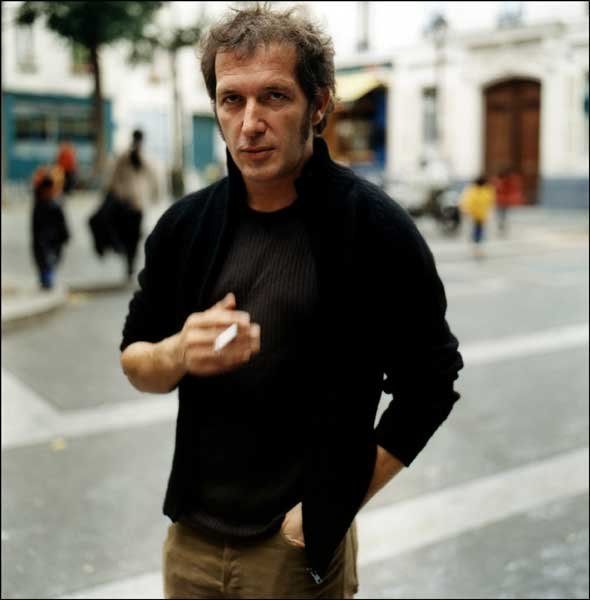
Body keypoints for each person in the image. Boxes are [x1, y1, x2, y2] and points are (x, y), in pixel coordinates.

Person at [119, 5, 463, 598]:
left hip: (293, 552)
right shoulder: (184, 226)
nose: (250, 123)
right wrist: (178, 353)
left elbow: (431, 384)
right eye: (232, 100)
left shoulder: (372, 227)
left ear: (318, 104)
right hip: (189, 540)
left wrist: (326, 509)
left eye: (274, 96)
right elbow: (135, 361)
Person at [104, 129, 159, 278]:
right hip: (124, 204)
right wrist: (118, 194)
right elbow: (113, 179)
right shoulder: (124, 158)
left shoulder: (146, 159)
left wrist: (155, 197)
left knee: (134, 236)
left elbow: (154, 180)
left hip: (138, 205)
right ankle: (128, 260)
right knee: (126, 235)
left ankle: (130, 262)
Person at [31, 164, 70, 290]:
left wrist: (65, 235)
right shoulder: (40, 206)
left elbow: (62, 222)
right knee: (44, 261)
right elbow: (35, 226)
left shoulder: (55, 205)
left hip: (54, 240)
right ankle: (46, 279)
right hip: (42, 240)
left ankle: (47, 278)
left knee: (51, 260)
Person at [459, 175, 496, 258]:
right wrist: (466, 211)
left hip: (480, 215)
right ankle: (476, 248)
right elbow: (466, 202)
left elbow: (490, 201)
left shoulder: (480, 190)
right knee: (477, 232)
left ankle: (477, 247)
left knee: (479, 232)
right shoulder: (477, 190)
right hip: (474, 215)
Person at [493, 167, 524, 235]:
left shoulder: (501, 182)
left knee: (502, 215)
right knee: (502, 215)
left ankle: (502, 227)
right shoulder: (504, 181)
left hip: (502, 201)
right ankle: (502, 227)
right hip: (502, 201)